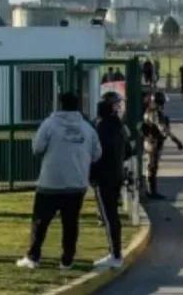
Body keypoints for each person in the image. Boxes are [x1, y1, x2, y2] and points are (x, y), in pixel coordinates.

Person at [16, 92, 102, 270]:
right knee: (71, 223)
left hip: (50, 182)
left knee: (40, 221)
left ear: (60, 105)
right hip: (76, 183)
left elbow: (37, 147)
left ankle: (33, 257)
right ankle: (67, 260)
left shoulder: (49, 124)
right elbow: (97, 154)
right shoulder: (87, 128)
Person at [91, 96, 133, 269]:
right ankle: (115, 252)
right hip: (117, 175)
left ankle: (115, 254)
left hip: (103, 177)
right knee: (113, 215)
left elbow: (94, 153)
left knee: (109, 216)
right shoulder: (120, 126)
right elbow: (129, 152)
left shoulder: (100, 127)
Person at [140, 91, 183, 199]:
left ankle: (150, 190)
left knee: (150, 167)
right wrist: (176, 141)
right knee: (152, 167)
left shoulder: (148, 110)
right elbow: (163, 129)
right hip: (153, 143)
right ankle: (152, 192)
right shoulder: (155, 113)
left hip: (148, 141)